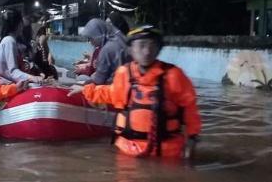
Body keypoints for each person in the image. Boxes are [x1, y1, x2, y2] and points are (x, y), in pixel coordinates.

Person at [68, 26, 201, 159]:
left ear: (159, 49)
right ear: (131, 49)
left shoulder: (174, 75)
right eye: (141, 45)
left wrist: (192, 138)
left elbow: (190, 108)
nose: (147, 51)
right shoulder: (124, 73)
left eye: (152, 45)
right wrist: (85, 89)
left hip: (168, 153)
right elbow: (111, 93)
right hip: (127, 151)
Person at [0, 8, 44, 84]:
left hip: (0, 82)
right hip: (3, 85)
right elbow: (13, 72)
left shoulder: (3, 39)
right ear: (19, 24)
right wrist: (34, 78)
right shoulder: (9, 40)